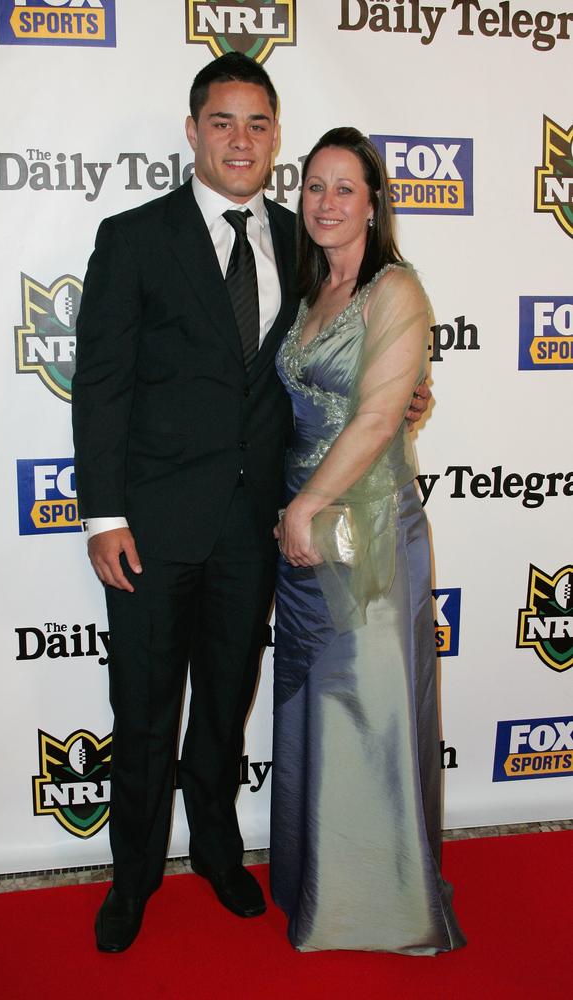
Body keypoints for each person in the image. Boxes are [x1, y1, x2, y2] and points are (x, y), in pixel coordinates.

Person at [72, 55, 429, 954]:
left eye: (259, 124)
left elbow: (340, 356)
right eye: (223, 122)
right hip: (150, 529)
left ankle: (220, 855)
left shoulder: (304, 236)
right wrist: (101, 513)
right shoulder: (134, 236)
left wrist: (403, 398)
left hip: (255, 529)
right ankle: (133, 878)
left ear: (277, 137)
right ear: (192, 131)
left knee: (227, 705)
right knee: (145, 711)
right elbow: (102, 386)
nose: (241, 139)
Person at [270, 127, 465, 955]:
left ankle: (383, 900)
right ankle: (319, 876)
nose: (326, 202)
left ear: (374, 202)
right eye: (314, 186)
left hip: (367, 527)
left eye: (345, 188)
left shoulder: (397, 287)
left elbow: (384, 415)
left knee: (369, 707)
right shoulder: (310, 286)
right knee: (318, 703)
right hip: (302, 526)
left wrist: (307, 505)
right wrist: (296, 510)